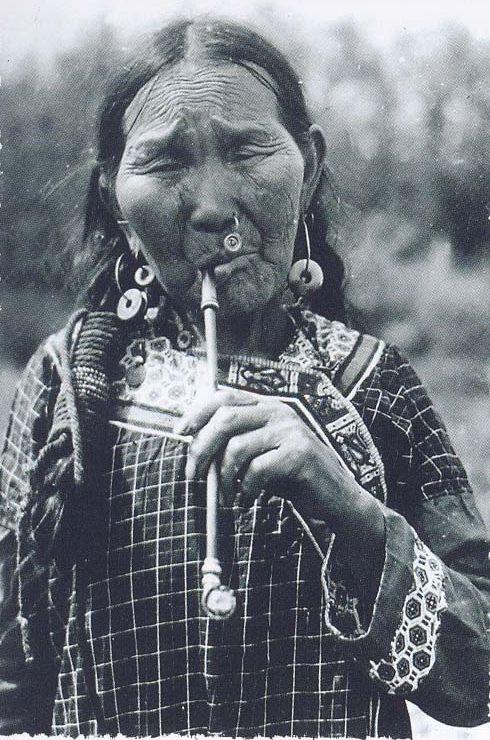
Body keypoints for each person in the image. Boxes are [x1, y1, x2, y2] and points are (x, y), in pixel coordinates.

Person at [0, 16, 488, 739]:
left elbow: (478, 681)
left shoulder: (373, 383)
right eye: (165, 162)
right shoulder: (67, 383)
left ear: (309, 167)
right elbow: (10, 676)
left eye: (247, 151)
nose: (212, 208)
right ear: (113, 199)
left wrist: (349, 510)